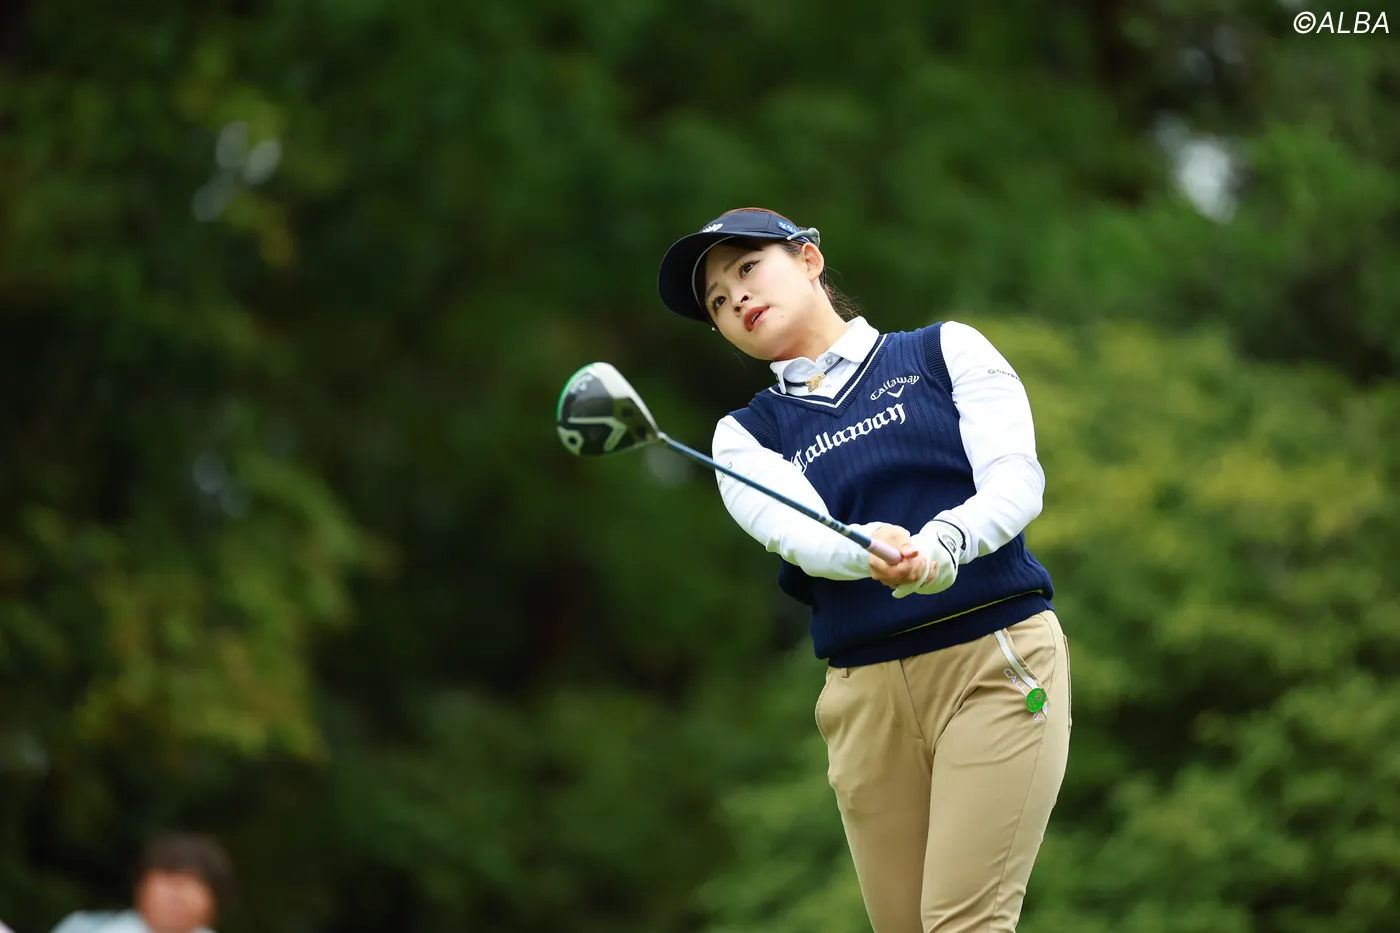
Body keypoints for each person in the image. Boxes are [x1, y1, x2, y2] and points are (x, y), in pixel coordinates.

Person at [657, 207, 1072, 933]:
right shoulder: (744, 435)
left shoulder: (944, 351)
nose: (736, 298)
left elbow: (1015, 480)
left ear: (809, 260)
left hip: (994, 660)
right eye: (717, 301)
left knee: (963, 923)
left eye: (748, 269)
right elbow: (794, 531)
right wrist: (867, 549)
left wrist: (942, 545)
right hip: (866, 697)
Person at [50, 833, 233, 933]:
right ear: (140, 886)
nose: (179, 894)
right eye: (169, 877)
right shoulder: (85, 929)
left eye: (195, 883)